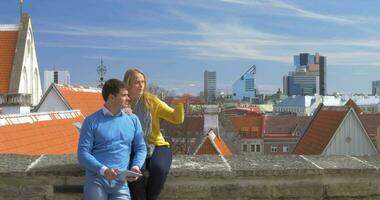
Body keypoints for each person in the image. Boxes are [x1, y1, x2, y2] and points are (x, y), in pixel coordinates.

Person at [78, 79, 147, 200]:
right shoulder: (91, 121)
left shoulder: (133, 120)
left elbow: (141, 147)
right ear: (111, 97)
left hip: (121, 184)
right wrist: (104, 170)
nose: (128, 98)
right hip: (97, 181)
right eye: (124, 95)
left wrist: (136, 167)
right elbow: (82, 154)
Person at [123, 68, 184, 200]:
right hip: (132, 147)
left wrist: (179, 104)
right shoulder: (122, 102)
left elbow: (176, 118)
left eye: (143, 82)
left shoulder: (151, 101)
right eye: (137, 82)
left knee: (159, 168)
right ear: (128, 84)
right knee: (134, 173)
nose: (141, 85)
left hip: (156, 145)